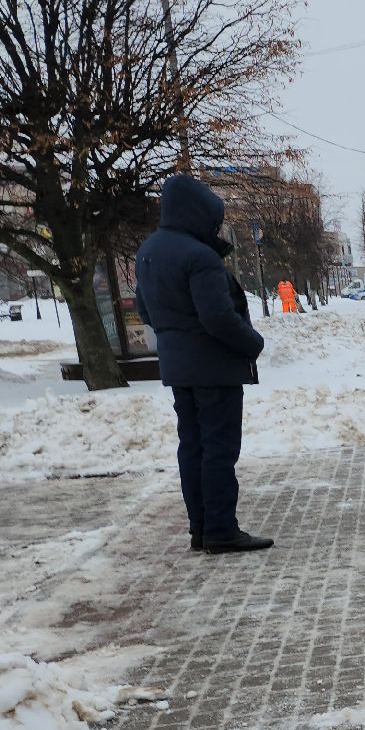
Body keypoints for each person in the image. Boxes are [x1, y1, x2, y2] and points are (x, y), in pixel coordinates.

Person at [134, 175, 273, 554]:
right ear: (198, 213)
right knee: (219, 449)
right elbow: (218, 317)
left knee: (193, 447)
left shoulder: (149, 251)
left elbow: (145, 309)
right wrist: (253, 343)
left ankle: (201, 528)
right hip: (214, 367)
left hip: (178, 368)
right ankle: (221, 530)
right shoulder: (200, 256)